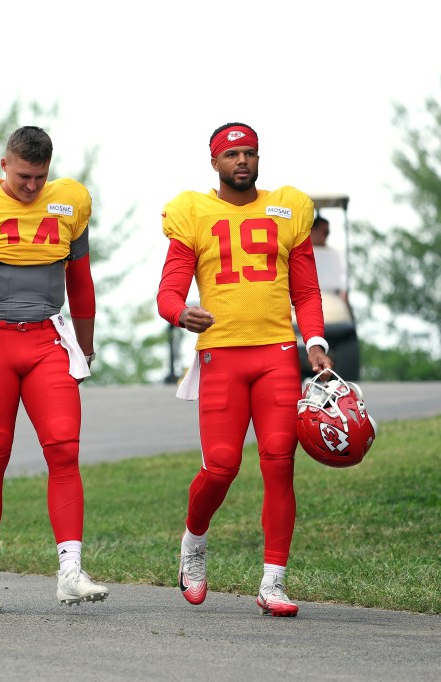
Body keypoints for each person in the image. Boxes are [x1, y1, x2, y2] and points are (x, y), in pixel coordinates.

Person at [156, 122, 332, 617]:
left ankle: (273, 581)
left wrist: (314, 341)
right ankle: (193, 542)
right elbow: (168, 290)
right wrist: (178, 312)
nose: (242, 161)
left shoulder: (287, 208)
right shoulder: (194, 212)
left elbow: (306, 290)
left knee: (279, 461)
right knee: (221, 466)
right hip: (221, 355)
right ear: (214, 162)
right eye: (232, 154)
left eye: (250, 153)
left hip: (276, 352)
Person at [0, 125, 107, 613]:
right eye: (24, 176)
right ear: (4, 164)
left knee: (64, 449)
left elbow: (82, 281)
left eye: (40, 178)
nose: (32, 187)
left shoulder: (69, 201)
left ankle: (70, 569)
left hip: (48, 338)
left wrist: (85, 349)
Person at [310, 216, 348, 304]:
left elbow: (342, 280)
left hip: (332, 300)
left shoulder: (334, 254)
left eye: (327, 232)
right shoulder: (299, 253)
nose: (327, 235)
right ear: (313, 230)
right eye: (325, 232)